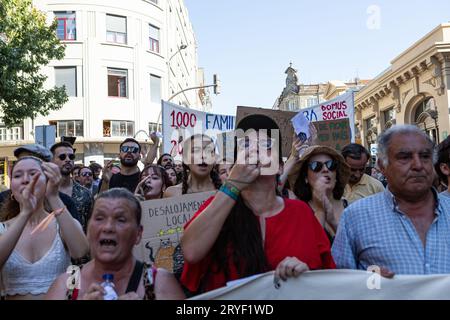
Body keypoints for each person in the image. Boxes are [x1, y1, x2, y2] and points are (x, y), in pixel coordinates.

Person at [180, 115, 335, 294]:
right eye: (246, 145)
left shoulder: (301, 213)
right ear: (234, 166)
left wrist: (304, 276)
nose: (254, 150)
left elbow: (326, 282)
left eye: (266, 146)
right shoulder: (218, 207)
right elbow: (191, 252)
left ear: (280, 167)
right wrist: (233, 185)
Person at [332, 125, 450, 275]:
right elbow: (341, 284)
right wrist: (371, 285)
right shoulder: (355, 217)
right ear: (382, 165)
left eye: (425, 156)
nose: (418, 165)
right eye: (405, 157)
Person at [45, 188, 185, 300]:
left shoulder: (156, 282)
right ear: (88, 229)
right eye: (99, 218)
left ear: (138, 234)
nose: (108, 227)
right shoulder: (69, 283)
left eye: (121, 220)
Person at [0, 157, 89, 299]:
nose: (25, 180)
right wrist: (25, 213)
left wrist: (53, 196)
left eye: (33, 174)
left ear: (48, 181)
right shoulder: (2, 229)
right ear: (12, 187)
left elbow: (80, 251)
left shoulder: (62, 224)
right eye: (17, 175)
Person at [0, 144, 81, 224]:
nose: (26, 179)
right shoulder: (2, 198)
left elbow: (75, 235)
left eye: (33, 172)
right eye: (19, 173)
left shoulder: (64, 202)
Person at [292, 145, 350, 242]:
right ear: (305, 177)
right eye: (316, 166)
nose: (325, 170)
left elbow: (356, 249)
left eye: (331, 165)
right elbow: (309, 248)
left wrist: (332, 222)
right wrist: (320, 211)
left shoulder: (350, 208)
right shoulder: (297, 211)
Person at [50, 142, 92, 231]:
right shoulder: (44, 194)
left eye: (71, 157)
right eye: (62, 157)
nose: (68, 159)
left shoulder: (85, 193)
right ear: (51, 161)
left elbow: (91, 224)